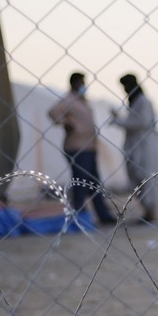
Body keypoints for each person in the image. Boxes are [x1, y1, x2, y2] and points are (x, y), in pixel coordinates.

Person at [47, 71, 116, 225]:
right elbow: (53, 112)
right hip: (77, 147)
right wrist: (67, 123)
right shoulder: (68, 100)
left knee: (93, 183)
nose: (84, 86)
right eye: (81, 83)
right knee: (81, 182)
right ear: (74, 83)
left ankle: (103, 215)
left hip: (89, 146)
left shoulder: (82, 101)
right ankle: (77, 214)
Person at [110, 73, 158, 224]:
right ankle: (147, 211)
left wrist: (120, 121)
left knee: (146, 178)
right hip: (135, 145)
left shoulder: (143, 101)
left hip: (144, 146)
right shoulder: (135, 102)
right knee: (137, 178)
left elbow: (142, 122)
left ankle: (151, 212)